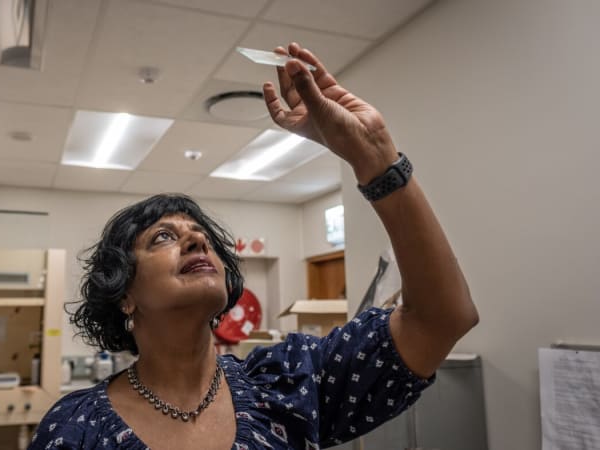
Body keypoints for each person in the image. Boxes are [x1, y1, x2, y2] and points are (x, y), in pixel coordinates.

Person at [29, 42, 478, 449]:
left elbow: (441, 319)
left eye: (200, 233)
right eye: (163, 237)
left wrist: (376, 159)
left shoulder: (290, 384)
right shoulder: (75, 430)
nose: (195, 237)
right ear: (124, 292)